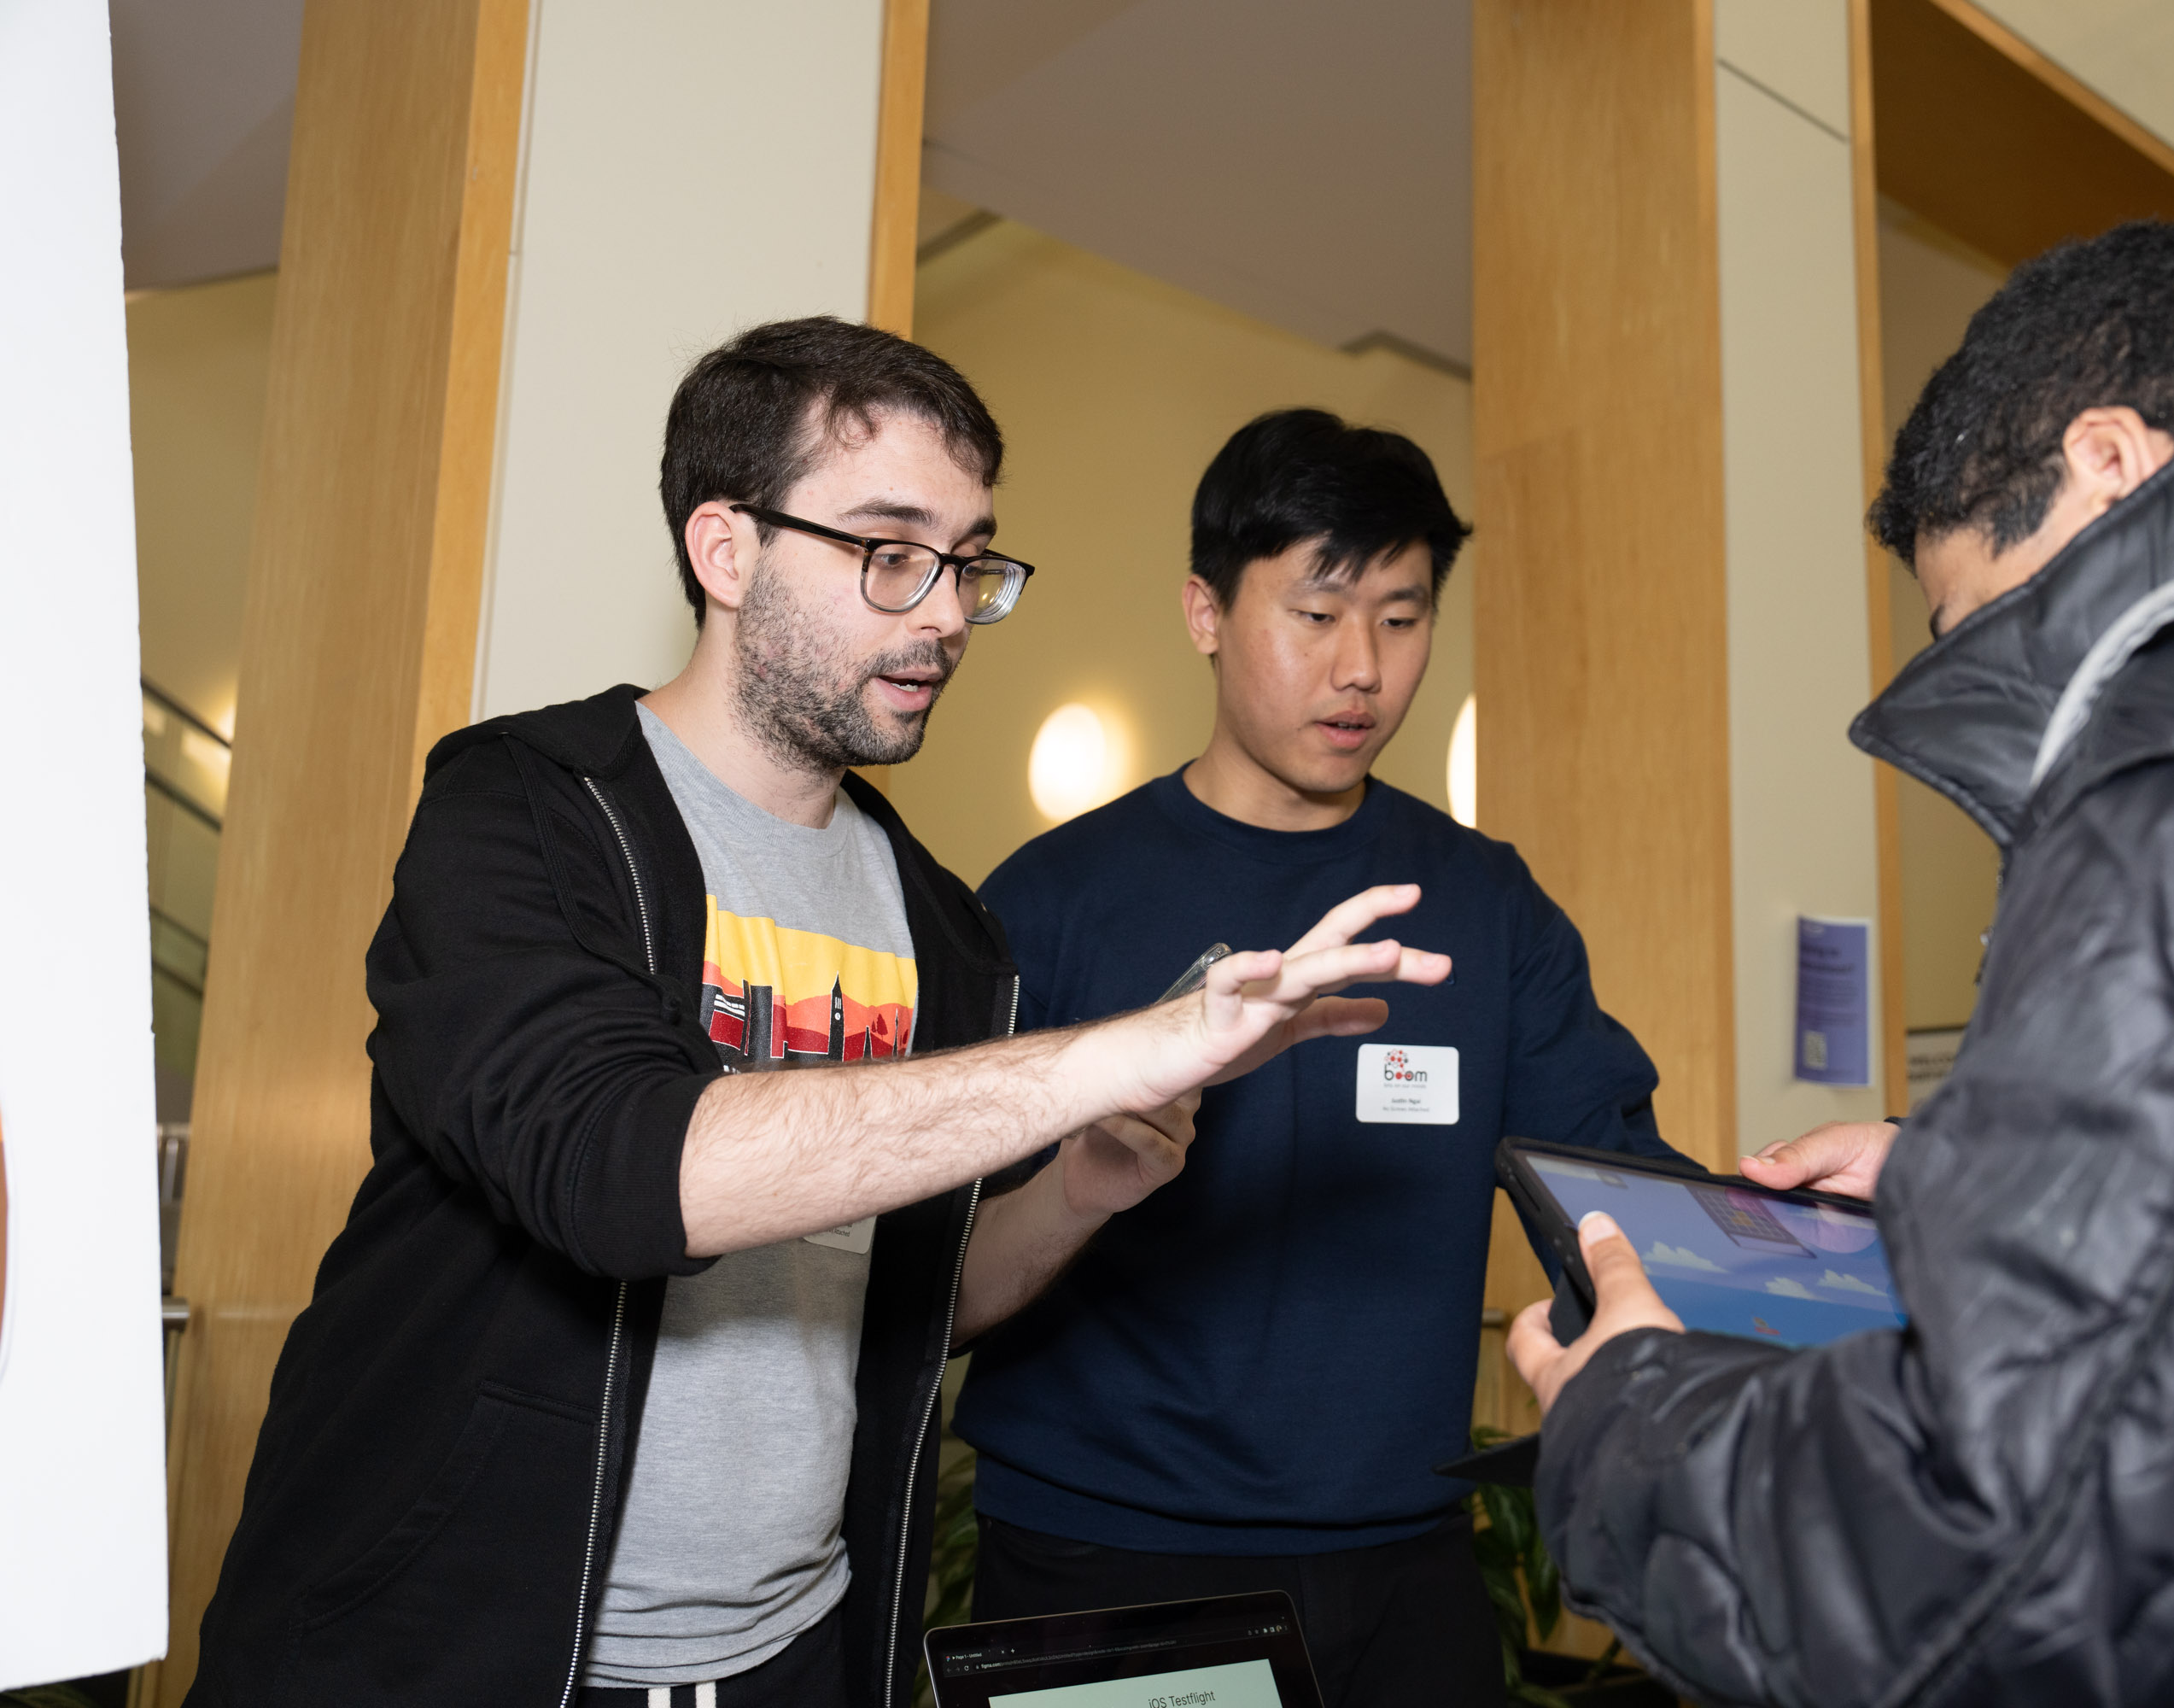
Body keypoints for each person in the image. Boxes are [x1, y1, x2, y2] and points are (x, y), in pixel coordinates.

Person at [185, 320, 1450, 1708]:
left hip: (799, 1656)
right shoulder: (528, 810)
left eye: (970, 562)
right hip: (460, 1650)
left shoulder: (943, 926)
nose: (949, 614)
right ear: (724, 551)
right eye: (891, 553)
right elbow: (625, 1172)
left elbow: (914, 1301)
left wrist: (1084, 1187)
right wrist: (1115, 1053)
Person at [1508, 223, 2174, 1705]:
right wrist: (1999, 1182)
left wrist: (1623, 1420)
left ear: (2110, 463)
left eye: (1980, 633)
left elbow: (2017, 1585)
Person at [956, 408, 1672, 1707]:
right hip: (1108, 1558)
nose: (1363, 670)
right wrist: (1086, 1168)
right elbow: (932, 1286)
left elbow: (1613, 1179)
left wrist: (1805, 1250)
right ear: (1206, 612)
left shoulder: (1485, 905)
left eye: (1402, 621)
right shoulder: (1056, 901)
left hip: (1406, 1564)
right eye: (1318, 614)